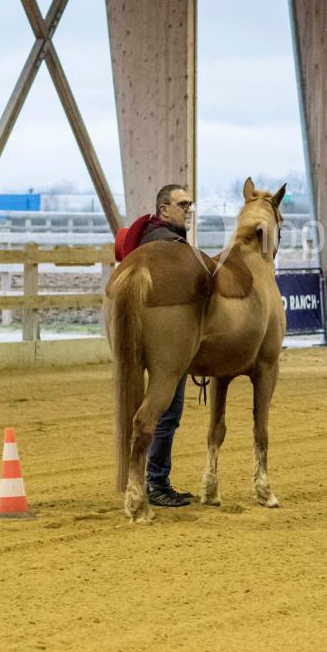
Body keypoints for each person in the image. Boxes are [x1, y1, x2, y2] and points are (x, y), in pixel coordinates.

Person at [134, 182, 196, 508]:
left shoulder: (147, 240)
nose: (188, 210)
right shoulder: (171, 246)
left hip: (147, 334)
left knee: (161, 411)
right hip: (169, 340)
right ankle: (155, 483)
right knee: (167, 412)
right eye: (183, 205)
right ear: (163, 210)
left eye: (189, 205)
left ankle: (151, 480)